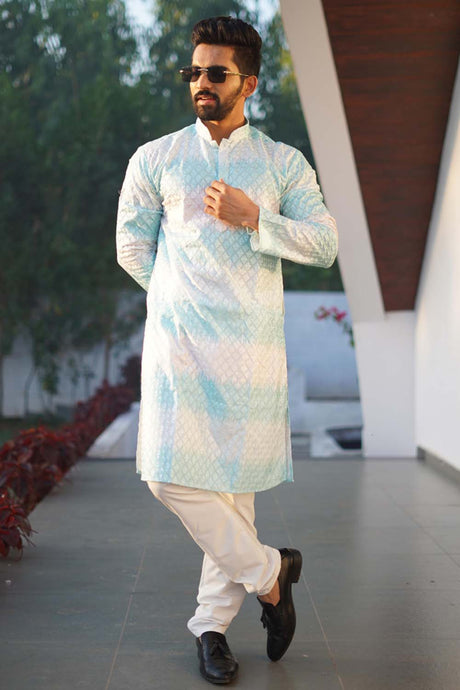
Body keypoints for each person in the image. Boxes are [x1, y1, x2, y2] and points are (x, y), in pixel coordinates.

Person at [116, 16, 338, 685]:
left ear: (250, 83)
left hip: (250, 352)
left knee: (235, 497)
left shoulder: (282, 163)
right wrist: (181, 299)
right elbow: (131, 246)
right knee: (166, 474)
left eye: (216, 73)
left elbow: (324, 244)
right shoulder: (155, 158)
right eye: (194, 72)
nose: (201, 84)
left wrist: (255, 218)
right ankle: (272, 574)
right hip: (179, 346)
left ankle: (211, 630)